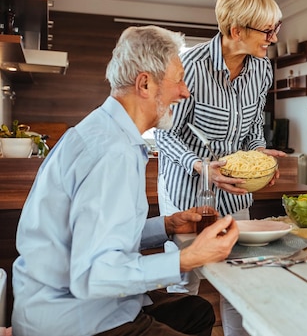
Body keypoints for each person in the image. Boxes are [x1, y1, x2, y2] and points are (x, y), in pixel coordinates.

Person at [11, 25, 239, 335]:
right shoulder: (112, 153)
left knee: (197, 311)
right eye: (178, 80)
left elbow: (96, 236)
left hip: (66, 306)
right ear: (145, 83)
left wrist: (167, 226)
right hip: (79, 320)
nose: (185, 92)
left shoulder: (104, 132)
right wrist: (187, 259)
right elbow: (94, 275)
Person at [154, 0, 285, 336]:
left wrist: (261, 156)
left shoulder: (261, 70)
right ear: (236, 30)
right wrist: (201, 166)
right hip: (187, 190)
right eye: (267, 29)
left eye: (276, 28)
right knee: (186, 281)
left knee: (238, 280)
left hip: (235, 191)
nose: (272, 37)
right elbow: (165, 134)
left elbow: (254, 127)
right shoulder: (190, 68)